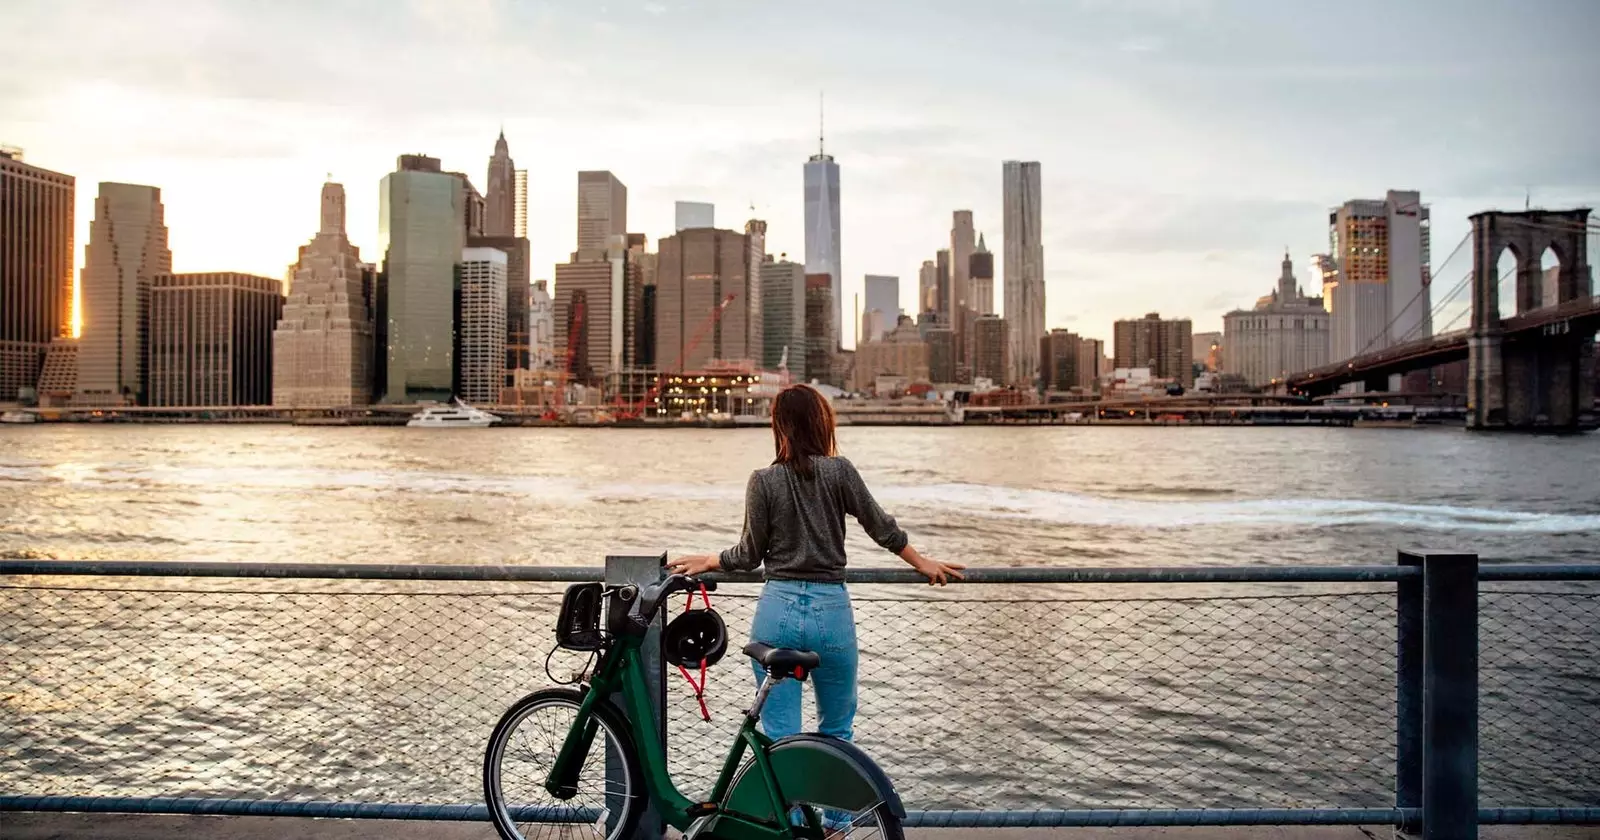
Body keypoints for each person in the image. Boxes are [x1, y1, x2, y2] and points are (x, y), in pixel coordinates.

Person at [666, 383, 964, 745]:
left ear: (779, 426)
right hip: (831, 610)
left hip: (778, 610)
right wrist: (922, 562)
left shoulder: (763, 480)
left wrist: (711, 560)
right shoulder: (840, 471)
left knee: (781, 738)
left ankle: (789, 804)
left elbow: (748, 556)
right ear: (821, 423)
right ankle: (834, 803)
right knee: (837, 733)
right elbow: (880, 526)